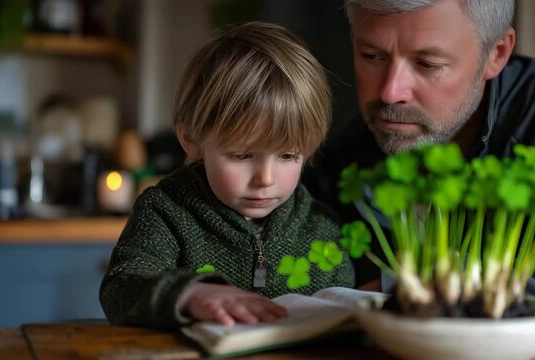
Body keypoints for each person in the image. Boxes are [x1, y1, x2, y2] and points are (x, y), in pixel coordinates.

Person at [304, 0, 535, 328]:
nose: (390, 92)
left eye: (427, 64)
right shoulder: (335, 163)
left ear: (496, 54)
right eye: (371, 56)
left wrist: (410, 288)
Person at [100, 21, 355, 329]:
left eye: (288, 156)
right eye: (242, 156)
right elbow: (120, 288)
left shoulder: (322, 228)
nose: (265, 178)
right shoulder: (165, 212)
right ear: (191, 139)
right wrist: (190, 294)